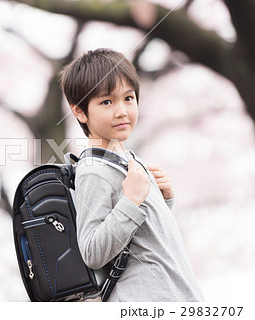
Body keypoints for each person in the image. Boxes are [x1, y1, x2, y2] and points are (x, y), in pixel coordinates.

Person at [58, 48, 203, 302]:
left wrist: (164, 200)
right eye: (106, 102)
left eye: (129, 98)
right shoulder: (93, 171)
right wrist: (132, 200)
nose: (122, 111)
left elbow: (145, 239)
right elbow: (92, 251)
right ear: (80, 112)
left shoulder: (128, 159)